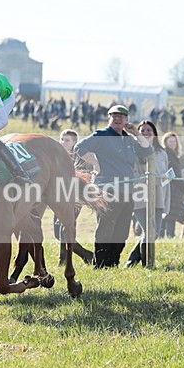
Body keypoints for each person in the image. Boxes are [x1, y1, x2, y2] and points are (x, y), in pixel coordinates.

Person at [75, 105, 153, 268]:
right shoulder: (101, 135)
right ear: (109, 118)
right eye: (114, 116)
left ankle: (113, 263)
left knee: (122, 229)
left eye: (122, 116)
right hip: (107, 190)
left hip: (128, 190)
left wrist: (137, 133)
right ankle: (101, 264)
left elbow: (147, 151)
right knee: (106, 226)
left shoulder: (129, 139)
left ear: (126, 120)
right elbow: (79, 148)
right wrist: (95, 164)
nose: (118, 119)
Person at [125, 120, 170, 268]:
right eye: (142, 130)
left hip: (158, 196)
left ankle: (132, 262)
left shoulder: (162, 152)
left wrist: (164, 181)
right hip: (141, 196)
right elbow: (136, 175)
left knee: (154, 233)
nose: (145, 133)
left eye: (148, 130)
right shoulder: (134, 152)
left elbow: (165, 176)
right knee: (149, 231)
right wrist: (154, 179)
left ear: (155, 133)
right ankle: (145, 263)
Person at [53, 129, 95, 265]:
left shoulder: (81, 159)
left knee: (64, 229)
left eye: (67, 140)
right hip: (57, 197)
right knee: (57, 231)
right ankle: (86, 254)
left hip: (74, 198)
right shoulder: (56, 156)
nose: (63, 142)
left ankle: (63, 260)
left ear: (74, 142)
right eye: (62, 139)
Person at [159, 131, 184, 238]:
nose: (172, 143)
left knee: (169, 213)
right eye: (170, 141)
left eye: (174, 141)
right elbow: (174, 174)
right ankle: (168, 235)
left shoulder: (173, 155)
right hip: (170, 188)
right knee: (169, 213)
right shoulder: (167, 154)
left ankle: (162, 236)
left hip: (172, 188)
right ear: (165, 142)